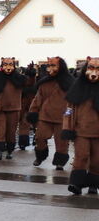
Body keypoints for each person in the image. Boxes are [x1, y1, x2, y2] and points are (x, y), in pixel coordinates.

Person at [28, 56, 75, 170]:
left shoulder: (70, 83)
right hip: (45, 117)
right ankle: (40, 156)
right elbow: (38, 98)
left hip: (62, 119)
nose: (50, 68)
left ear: (61, 67)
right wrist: (33, 111)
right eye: (49, 65)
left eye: (53, 65)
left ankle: (60, 162)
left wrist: (70, 116)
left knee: (62, 143)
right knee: (39, 138)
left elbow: (74, 102)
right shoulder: (44, 82)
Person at [63, 56, 99, 195]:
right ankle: (76, 183)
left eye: (97, 68)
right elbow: (68, 110)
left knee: (96, 160)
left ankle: (93, 184)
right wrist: (67, 127)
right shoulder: (77, 88)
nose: (94, 71)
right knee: (81, 156)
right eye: (91, 68)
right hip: (81, 131)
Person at [0, 57, 27, 160]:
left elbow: (29, 84)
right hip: (0, 108)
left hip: (13, 108)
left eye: (10, 64)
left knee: (11, 131)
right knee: (0, 130)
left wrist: (31, 74)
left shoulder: (18, 78)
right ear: (2, 65)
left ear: (14, 66)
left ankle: (9, 150)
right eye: (5, 64)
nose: (8, 67)